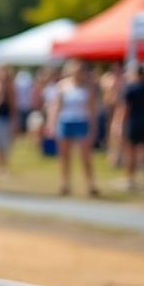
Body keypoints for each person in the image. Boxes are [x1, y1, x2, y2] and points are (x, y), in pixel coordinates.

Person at [47, 60, 99, 196]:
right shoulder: (63, 86)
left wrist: (93, 128)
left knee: (85, 156)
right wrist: (51, 124)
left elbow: (92, 110)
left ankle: (91, 184)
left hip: (82, 122)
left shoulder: (88, 87)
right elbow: (56, 107)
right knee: (64, 156)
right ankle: (64, 184)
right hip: (65, 121)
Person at [117, 62, 144, 191]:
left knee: (131, 153)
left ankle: (130, 179)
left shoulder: (131, 88)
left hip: (135, 122)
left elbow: (126, 108)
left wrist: (120, 124)